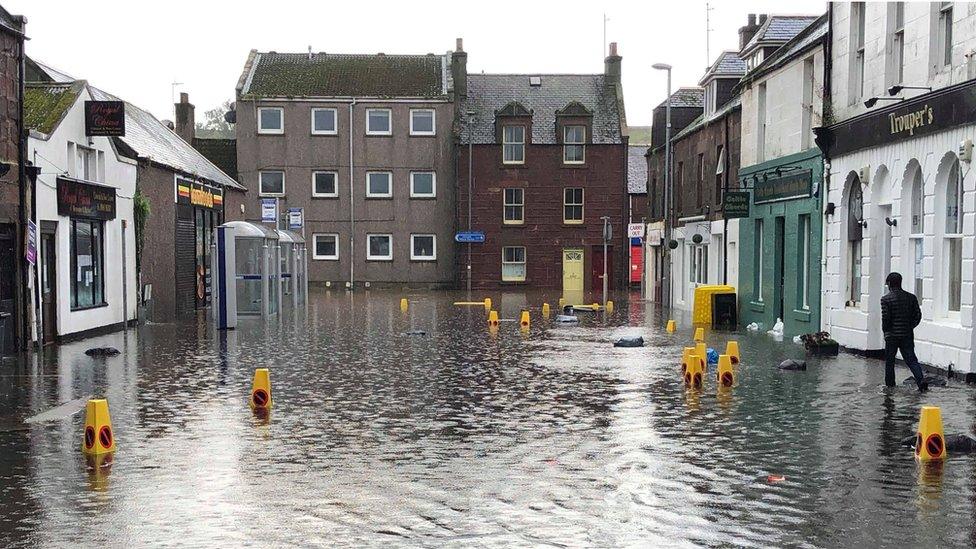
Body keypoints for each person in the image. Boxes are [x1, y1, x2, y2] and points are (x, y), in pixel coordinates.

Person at [880, 272, 927, 392]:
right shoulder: (911, 297)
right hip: (907, 334)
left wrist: (886, 331)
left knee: (890, 361)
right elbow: (918, 315)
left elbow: (886, 318)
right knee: (911, 359)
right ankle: (921, 380)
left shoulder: (886, 299)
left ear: (890, 284)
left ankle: (890, 386)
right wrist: (910, 326)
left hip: (891, 336)